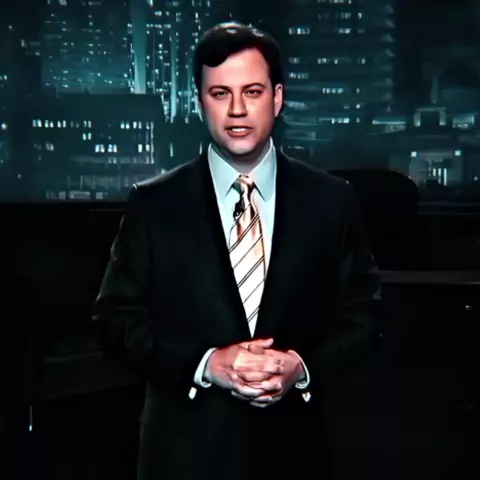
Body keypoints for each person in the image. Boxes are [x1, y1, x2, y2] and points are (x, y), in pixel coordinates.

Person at [93, 21, 383, 480]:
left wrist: (301, 367)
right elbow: (115, 319)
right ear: (199, 102)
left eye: (252, 91)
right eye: (220, 94)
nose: (237, 110)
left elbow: (365, 316)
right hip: (185, 455)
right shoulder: (154, 205)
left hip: (299, 453)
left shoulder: (330, 201)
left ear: (278, 98)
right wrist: (206, 364)